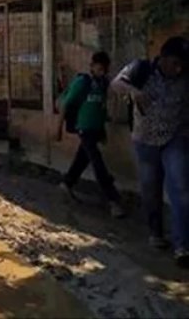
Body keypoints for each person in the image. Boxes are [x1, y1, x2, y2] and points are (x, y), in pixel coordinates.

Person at [112, 36, 189, 266]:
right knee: (151, 190)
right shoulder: (141, 68)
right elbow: (115, 84)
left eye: (182, 64)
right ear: (163, 58)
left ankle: (183, 246)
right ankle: (156, 233)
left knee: (181, 188)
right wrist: (133, 92)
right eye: (175, 63)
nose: (179, 68)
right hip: (145, 142)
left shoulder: (186, 76)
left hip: (175, 139)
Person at [56, 51, 124, 218]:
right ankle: (113, 200)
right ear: (92, 66)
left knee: (83, 158)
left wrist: (103, 131)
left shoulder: (103, 84)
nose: (102, 72)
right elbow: (65, 105)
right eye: (99, 68)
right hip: (83, 128)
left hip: (95, 129)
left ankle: (67, 183)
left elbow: (101, 109)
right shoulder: (82, 82)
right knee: (97, 162)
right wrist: (58, 129)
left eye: (104, 69)